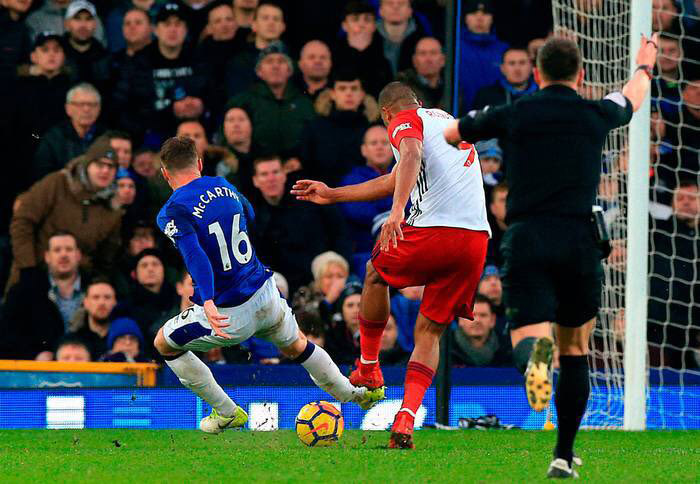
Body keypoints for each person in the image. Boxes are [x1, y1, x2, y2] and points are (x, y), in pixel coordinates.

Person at [444, 35, 658, 477]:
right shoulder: (594, 112)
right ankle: (562, 454)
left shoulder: (515, 112)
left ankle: (533, 363)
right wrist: (644, 66)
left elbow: (452, 133)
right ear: (579, 76)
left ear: (536, 74)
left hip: (527, 236)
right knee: (576, 347)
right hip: (579, 238)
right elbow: (632, 98)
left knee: (528, 335)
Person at [292, 81, 491, 449]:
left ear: (386, 114)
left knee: (373, 274)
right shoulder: (445, 119)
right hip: (476, 239)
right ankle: (406, 417)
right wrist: (334, 194)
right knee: (429, 331)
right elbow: (396, 175)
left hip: (436, 229)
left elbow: (411, 155)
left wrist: (397, 212)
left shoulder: (404, 119)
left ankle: (368, 367)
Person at [152, 136, 384, 433]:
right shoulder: (224, 186)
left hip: (229, 309)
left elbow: (194, 254)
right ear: (199, 163)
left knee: (164, 343)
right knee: (298, 345)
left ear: (164, 173)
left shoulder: (172, 210)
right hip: (265, 290)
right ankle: (356, 395)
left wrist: (207, 300)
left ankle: (226, 411)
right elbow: (249, 214)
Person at [9, 136, 122, 291]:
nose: (105, 171)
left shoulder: (112, 209)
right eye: (99, 164)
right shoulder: (58, 183)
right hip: (33, 272)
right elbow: (22, 221)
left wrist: (96, 283)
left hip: (78, 286)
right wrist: (28, 267)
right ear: (87, 164)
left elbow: (106, 258)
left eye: (111, 167)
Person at [249, 156, 352, 294]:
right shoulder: (254, 216)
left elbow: (340, 233)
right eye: (264, 174)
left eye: (276, 172)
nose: (271, 178)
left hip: (324, 277)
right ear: (255, 181)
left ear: (284, 175)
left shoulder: (308, 199)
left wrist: (337, 268)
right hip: (287, 287)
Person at [0, 231, 84, 360]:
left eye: (69, 249)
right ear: (47, 257)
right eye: (57, 250)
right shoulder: (23, 292)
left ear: (78, 255)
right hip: (37, 373)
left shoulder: (96, 290)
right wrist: (35, 355)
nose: (63, 254)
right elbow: (6, 335)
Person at [227, 42, 316, 161]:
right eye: (269, 61)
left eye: (281, 61)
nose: (276, 66)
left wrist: (301, 161)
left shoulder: (304, 103)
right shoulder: (243, 102)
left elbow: (314, 140)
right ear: (259, 71)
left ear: (289, 70)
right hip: (254, 168)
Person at [300, 69, 379, 186]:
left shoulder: (374, 130)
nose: (349, 93)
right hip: (325, 195)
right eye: (342, 88)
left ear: (362, 94)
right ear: (332, 94)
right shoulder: (314, 128)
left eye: (354, 88)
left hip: (365, 195)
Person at [338, 125, 394, 274]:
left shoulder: (406, 174)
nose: (379, 147)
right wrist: (391, 212)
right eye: (374, 143)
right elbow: (355, 209)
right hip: (364, 252)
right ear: (364, 150)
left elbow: (412, 203)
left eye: (384, 143)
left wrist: (377, 203)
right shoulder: (353, 178)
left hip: (405, 246)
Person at [32, 82, 104, 182]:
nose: (86, 109)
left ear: (99, 109)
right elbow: (43, 175)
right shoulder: (53, 139)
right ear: (68, 109)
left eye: (92, 105)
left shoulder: (107, 138)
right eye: (80, 104)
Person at [333, 1, 392, 98]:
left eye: (367, 20)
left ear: (374, 25)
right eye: (355, 19)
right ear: (344, 25)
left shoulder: (385, 55)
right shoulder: (333, 55)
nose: (361, 24)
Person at [458, 0, 508, 112]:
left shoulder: (504, 50)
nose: (479, 18)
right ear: (465, 18)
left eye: (485, 13)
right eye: (473, 13)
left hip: (496, 116)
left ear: (492, 18)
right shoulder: (455, 47)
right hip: (460, 115)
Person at [452, 294, 511, 367]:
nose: (477, 320)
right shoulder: (444, 351)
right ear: (460, 320)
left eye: (483, 315)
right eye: (471, 315)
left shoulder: (508, 350)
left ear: (493, 320)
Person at [68, 277, 118, 360]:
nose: (101, 302)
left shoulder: (124, 339)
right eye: (96, 297)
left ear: (115, 302)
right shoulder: (73, 340)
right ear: (85, 302)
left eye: (107, 297)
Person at [473, 47, 538, 110]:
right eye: (512, 63)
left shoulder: (542, 93)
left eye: (522, 63)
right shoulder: (486, 96)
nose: (517, 69)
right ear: (502, 68)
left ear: (531, 67)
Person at [62, 0, 109, 86]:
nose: (83, 25)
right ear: (67, 24)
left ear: (95, 24)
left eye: (88, 19)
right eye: (77, 18)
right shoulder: (58, 54)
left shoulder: (104, 57)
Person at [375, 0, 427, 75]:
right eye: (390, 3)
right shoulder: (368, 38)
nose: (395, 7)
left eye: (401, 3)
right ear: (380, 10)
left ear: (410, 11)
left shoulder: (423, 40)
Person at [396, 37, 446, 110]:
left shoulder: (453, 88)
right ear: (414, 61)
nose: (428, 59)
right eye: (423, 53)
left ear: (443, 60)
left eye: (433, 53)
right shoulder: (402, 89)